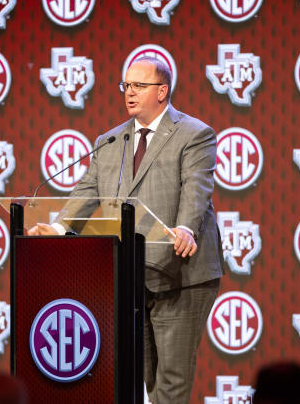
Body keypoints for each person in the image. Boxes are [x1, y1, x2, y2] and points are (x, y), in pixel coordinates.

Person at [29, 56, 223, 404]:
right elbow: (88, 191)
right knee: (149, 379)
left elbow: (196, 188)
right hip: (133, 276)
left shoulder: (194, 135)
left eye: (139, 86)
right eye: (126, 86)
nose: (129, 93)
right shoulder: (110, 141)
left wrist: (185, 228)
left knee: (171, 381)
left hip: (181, 273)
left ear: (162, 91)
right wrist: (59, 227)